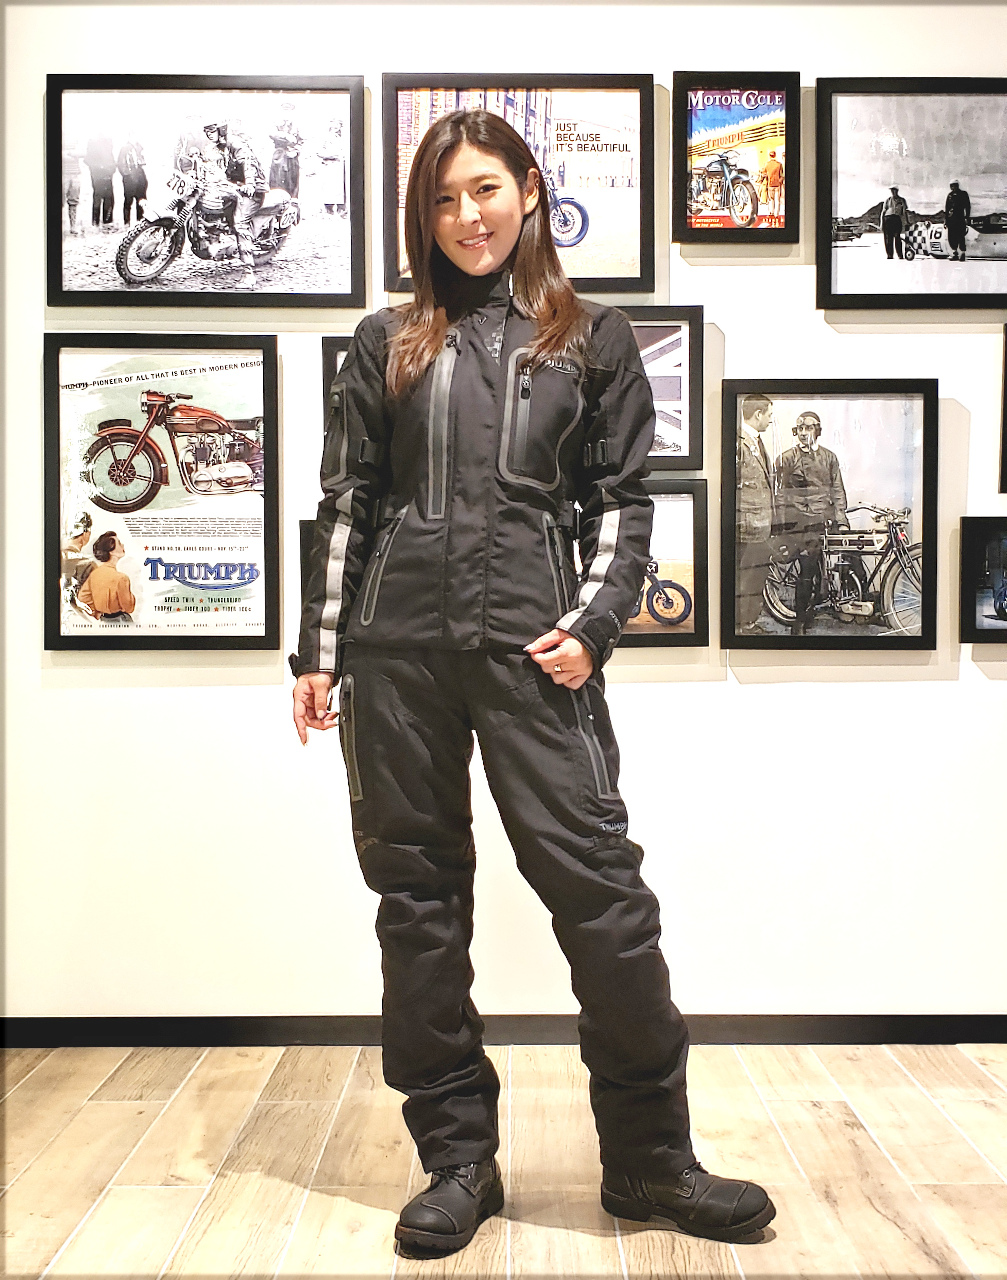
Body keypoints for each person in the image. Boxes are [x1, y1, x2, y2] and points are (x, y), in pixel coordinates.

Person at [291, 109, 775, 1257]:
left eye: (484, 190)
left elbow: (622, 504)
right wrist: (319, 650)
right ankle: (456, 1161)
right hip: (396, 656)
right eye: (442, 198)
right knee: (417, 905)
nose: (466, 216)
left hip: (534, 651)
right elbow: (349, 500)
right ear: (422, 215)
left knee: (604, 901)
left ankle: (648, 1158)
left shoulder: (591, 337)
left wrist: (592, 626)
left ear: (528, 190)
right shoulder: (384, 339)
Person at [774, 411, 849, 636]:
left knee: (849, 559)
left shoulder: (829, 458)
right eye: (800, 428)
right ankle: (799, 621)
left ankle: (840, 606)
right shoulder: (787, 459)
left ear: (818, 430)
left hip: (822, 519)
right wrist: (780, 527)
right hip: (799, 522)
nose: (803, 433)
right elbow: (780, 495)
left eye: (809, 428)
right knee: (807, 570)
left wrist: (841, 521)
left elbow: (837, 490)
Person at [202, 121, 268, 289]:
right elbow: (210, 163)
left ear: (221, 130)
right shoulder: (217, 147)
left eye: (212, 130)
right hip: (234, 186)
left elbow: (248, 163)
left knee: (240, 224)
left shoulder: (235, 144)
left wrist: (250, 184)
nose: (208, 134)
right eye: (206, 131)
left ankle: (248, 274)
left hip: (253, 189)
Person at [735, 393, 775, 636]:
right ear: (758, 414)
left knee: (755, 578)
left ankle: (748, 623)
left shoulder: (756, 442)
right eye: (769, 414)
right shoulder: (739, 444)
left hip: (760, 527)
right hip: (748, 528)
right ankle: (743, 626)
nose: (770, 420)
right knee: (747, 579)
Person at [77, 531, 135, 621]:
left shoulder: (94, 574)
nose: (123, 545)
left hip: (103, 620)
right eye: (119, 543)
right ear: (111, 552)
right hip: (121, 621)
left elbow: (82, 597)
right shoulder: (122, 578)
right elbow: (129, 608)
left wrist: (96, 612)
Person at [269, 107, 303, 197]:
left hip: (292, 157)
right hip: (279, 156)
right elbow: (272, 134)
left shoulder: (295, 126)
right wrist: (286, 135)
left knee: (292, 180)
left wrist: (296, 151)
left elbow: (301, 141)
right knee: (278, 180)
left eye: (289, 111)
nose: (287, 113)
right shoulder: (277, 124)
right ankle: (277, 201)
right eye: (285, 110)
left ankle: (293, 200)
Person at [85, 134, 116, 230]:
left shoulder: (108, 145)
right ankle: (96, 223)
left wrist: (111, 170)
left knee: (109, 199)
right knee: (98, 199)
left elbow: (112, 162)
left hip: (107, 177)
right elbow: (88, 161)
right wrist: (101, 168)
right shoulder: (93, 144)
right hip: (98, 177)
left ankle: (107, 222)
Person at [317, 119, 347, 217]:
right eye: (334, 125)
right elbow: (319, 152)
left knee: (340, 188)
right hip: (328, 165)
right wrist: (331, 155)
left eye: (338, 125)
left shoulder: (342, 138)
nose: (336, 127)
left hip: (339, 166)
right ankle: (328, 209)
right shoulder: (325, 138)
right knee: (329, 188)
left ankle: (341, 210)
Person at [117, 137, 148, 225]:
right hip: (130, 179)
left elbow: (143, 161)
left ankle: (140, 222)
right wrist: (127, 175)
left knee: (141, 200)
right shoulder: (124, 148)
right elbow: (120, 164)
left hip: (140, 177)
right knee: (128, 200)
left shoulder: (140, 147)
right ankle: (127, 223)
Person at [945, 180, 971, 261]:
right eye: (952, 186)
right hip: (951, 219)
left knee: (960, 236)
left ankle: (962, 253)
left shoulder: (963, 194)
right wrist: (946, 220)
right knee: (951, 237)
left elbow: (967, 206)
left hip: (960, 219)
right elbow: (947, 208)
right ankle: (955, 253)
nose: (953, 187)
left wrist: (967, 217)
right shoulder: (950, 195)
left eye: (954, 185)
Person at [61, 142, 84, 235]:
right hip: (63, 175)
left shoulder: (76, 142)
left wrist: (71, 153)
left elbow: (83, 153)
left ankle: (73, 226)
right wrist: (71, 154)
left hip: (75, 175)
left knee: (74, 201)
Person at [881, 185, 909, 259]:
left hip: (896, 219)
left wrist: (907, 221)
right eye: (891, 190)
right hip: (888, 219)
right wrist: (881, 223)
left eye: (894, 190)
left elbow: (904, 212)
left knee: (897, 237)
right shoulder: (888, 200)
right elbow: (883, 212)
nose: (893, 192)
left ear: (897, 191)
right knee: (888, 238)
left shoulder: (902, 200)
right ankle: (890, 255)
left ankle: (900, 254)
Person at [764, 148, 784, 217]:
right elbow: (781, 174)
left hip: (770, 184)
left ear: (769, 156)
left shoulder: (767, 164)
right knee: (777, 200)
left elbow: (764, 174)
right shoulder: (779, 164)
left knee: (771, 199)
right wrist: (780, 181)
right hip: (777, 184)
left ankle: (771, 212)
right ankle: (776, 214)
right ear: (775, 155)